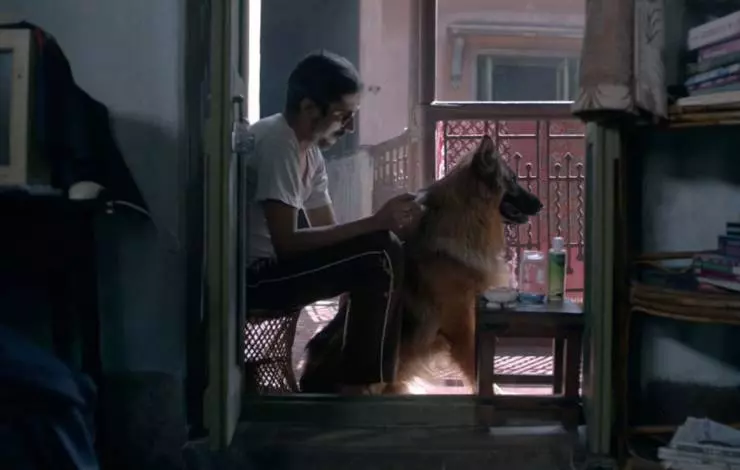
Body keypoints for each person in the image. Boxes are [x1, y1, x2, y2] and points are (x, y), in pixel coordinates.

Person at [244, 50, 423, 395]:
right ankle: (360, 384)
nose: (349, 127)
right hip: (257, 278)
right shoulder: (279, 142)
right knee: (378, 254)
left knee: (383, 248)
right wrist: (375, 222)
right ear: (309, 108)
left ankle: (358, 378)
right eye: (343, 115)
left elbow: (334, 235)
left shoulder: (310, 153)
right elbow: (287, 242)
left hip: (277, 269)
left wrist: (381, 227)